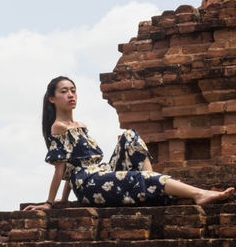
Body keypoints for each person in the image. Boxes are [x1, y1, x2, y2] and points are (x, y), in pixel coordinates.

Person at [24, 76, 234, 211]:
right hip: (89, 184)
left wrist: (64, 199)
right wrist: (51, 202)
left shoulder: (81, 125)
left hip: (100, 173)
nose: (70, 95)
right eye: (63, 91)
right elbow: (63, 170)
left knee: (130, 136)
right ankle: (200, 194)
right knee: (132, 172)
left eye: (73, 90)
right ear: (52, 99)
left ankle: (150, 180)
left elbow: (73, 166)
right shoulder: (58, 127)